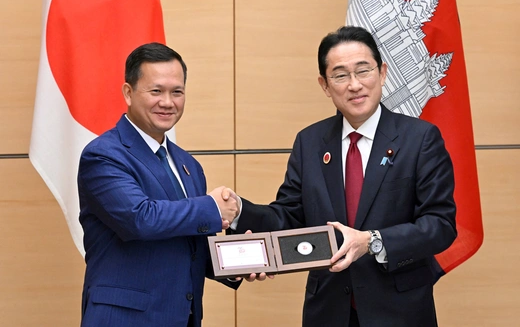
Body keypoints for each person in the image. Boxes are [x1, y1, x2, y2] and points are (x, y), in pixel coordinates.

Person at [232, 26, 457, 326]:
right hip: (328, 310)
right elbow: (288, 218)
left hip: (398, 310)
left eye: (363, 71)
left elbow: (440, 225)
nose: (354, 85)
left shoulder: (420, 138)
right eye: (340, 75)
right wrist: (239, 212)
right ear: (325, 85)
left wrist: (372, 241)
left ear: (383, 73)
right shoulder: (309, 142)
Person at [78, 42, 241, 327]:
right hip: (123, 319)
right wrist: (213, 208)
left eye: (177, 92)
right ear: (128, 93)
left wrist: (236, 264)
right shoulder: (103, 155)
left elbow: (186, 244)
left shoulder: (188, 165)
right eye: (156, 91)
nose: (168, 102)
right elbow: (140, 219)